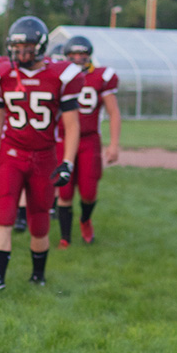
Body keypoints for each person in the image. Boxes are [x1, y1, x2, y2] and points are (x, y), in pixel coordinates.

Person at [0, 16, 82, 290]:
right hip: (13, 153)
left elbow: (72, 125)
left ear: (42, 46)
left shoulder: (62, 75)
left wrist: (68, 162)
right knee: (5, 213)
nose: (21, 53)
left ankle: (38, 275)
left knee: (39, 219)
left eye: (28, 47)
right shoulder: (1, 75)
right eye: (17, 47)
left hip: (45, 156)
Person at [54, 36, 120, 248]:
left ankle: (85, 220)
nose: (76, 59)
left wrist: (114, 144)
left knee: (89, 192)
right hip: (63, 139)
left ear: (89, 55)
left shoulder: (101, 76)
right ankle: (65, 237)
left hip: (89, 140)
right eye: (72, 55)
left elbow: (113, 112)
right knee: (63, 192)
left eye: (81, 55)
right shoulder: (59, 77)